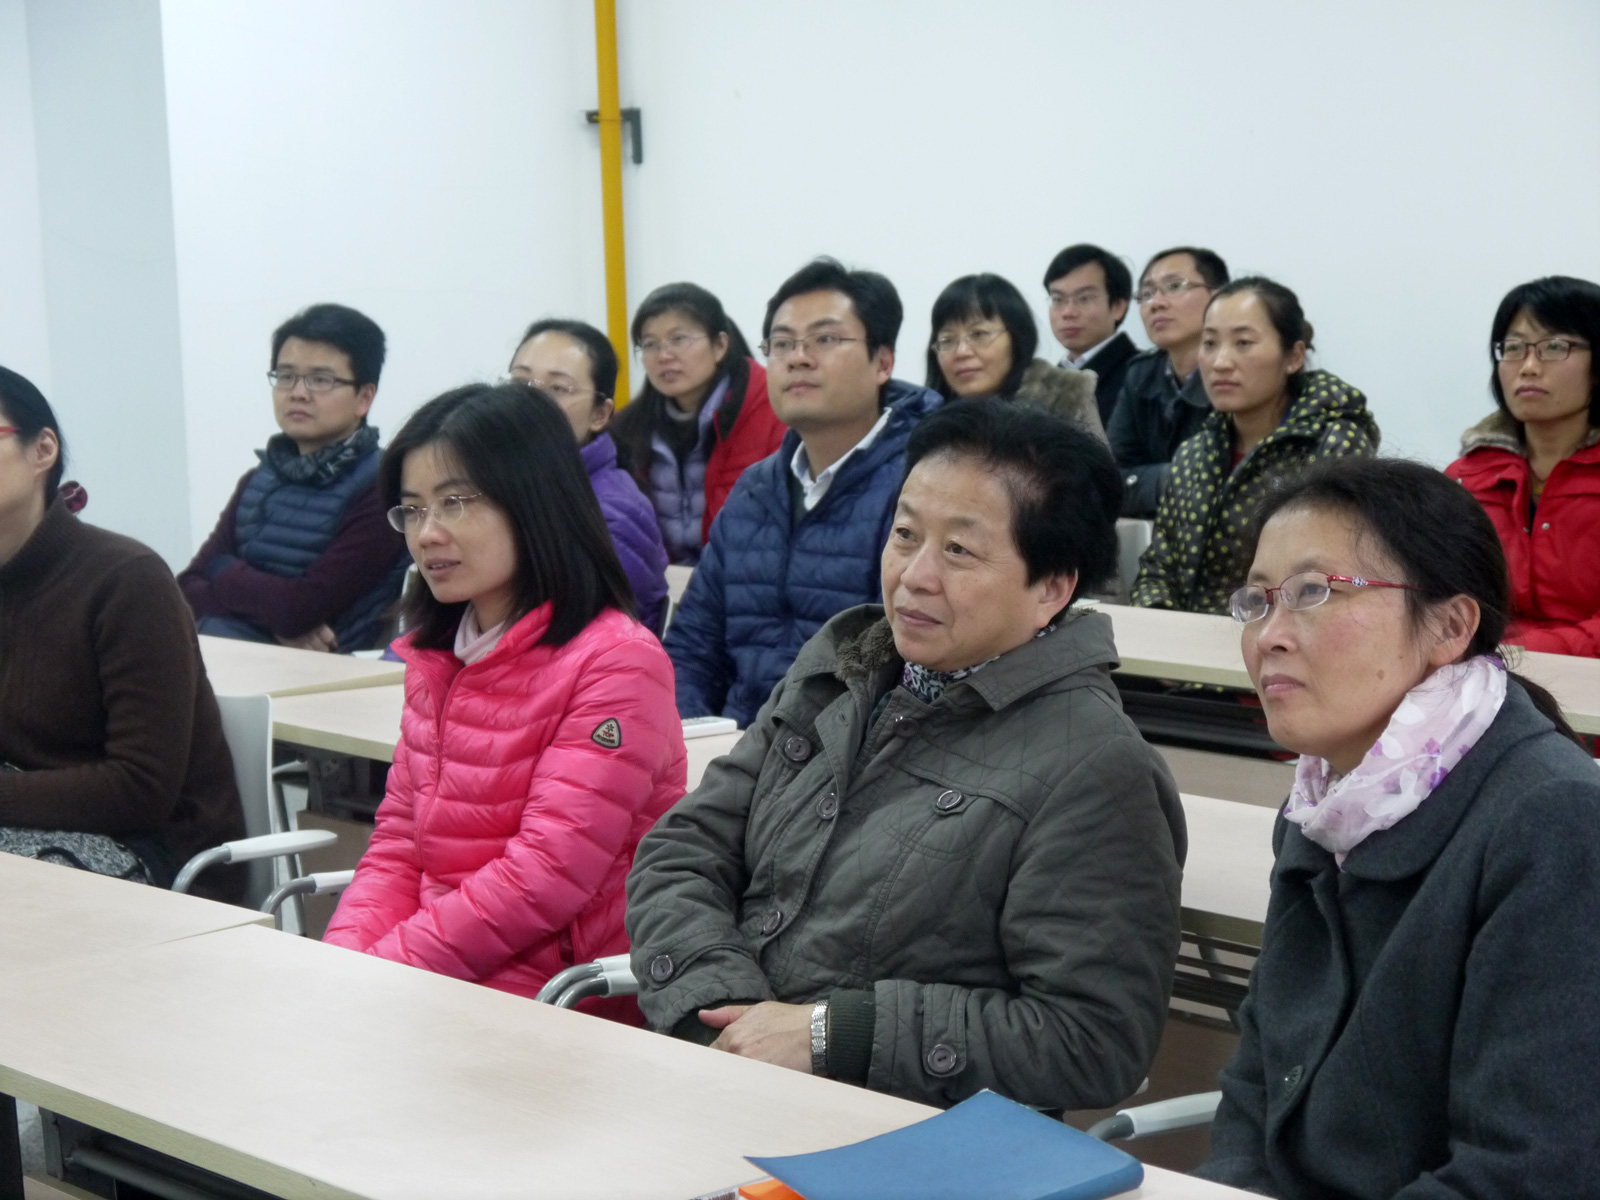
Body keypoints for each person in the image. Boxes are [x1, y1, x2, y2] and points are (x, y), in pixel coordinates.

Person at [628, 401, 1185, 1110]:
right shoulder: (842, 667)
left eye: (959, 551)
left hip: (901, 1132)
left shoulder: (1095, 766)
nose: (915, 575)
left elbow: (1093, 1039)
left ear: (1051, 587)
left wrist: (831, 1034)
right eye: (905, 535)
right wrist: (726, 1015)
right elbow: (682, 852)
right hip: (730, 1079)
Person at [1196, 456, 1600, 1198]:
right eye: (1258, 600)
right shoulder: (1324, 802)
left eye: (1313, 592)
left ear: (1450, 625)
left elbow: (1524, 1172)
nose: (1268, 635)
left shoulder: (1555, 822)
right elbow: (1257, 1085)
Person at [323, 382, 686, 1018]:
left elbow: (543, 878)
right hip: (441, 973)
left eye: (455, 503)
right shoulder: (438, 657)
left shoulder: (617, 661)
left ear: (532, 501)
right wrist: (342, 963)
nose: (428, 533)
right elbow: (399, 846)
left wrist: (386, 973)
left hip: (559, 994)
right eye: (412, 510)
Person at [664, 258, 943, 728]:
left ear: (883, 362)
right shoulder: (754, 490)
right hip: (737, 747)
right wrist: (689, 737)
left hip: (853, 751)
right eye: (781, 343)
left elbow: (907, 671)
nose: (798, 357)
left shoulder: (923, 485)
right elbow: (692, 647)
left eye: (825, 339)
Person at [0, 367, 245, 898]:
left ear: (42, 450)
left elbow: (140, 788)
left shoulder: (125, 579)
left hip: (155, 851)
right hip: (22, 830)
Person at [1132, 277, 1377, 614]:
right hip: (1184, 640)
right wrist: (1162, 623)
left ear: (1293, 356)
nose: (1220, 362)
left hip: (1283, 633)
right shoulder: (1193, 453)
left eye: (1243, 343)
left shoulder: (1334, 444)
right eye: (1209, 343)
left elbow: (1327, 580)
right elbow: (1157, 570)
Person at [179, 303, 410, 652]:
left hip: (331, 672)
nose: (298, 392)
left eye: (321, 379)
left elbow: (299, 608)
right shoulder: (258, 479)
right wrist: (276, 617)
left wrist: (222, 569)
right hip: (245, 658)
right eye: (286, 376)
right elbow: (186, 588)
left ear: (364, 397)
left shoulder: (382, 488)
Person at [1447, 275, 1600, 656]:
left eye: (1554, 346)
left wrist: (1517, 651)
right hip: (1483, 670)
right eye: (1514, 348)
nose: (1528, 366)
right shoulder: (1465, 478)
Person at [508, 318, 669, 631]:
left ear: (600, 414)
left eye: (558, 388)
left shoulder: (614, 515)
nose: (530, 401)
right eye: (520, 383)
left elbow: (573, 635)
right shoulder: (503, 483)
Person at [612, 283, 787, 566]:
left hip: (745, 576)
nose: (664, 355)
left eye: (678, 339)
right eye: (650, 344)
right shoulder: (627, 429)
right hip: (665, 582)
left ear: (720, 346)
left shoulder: (773, 411)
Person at [1106, 246, 1230, 516]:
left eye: (1174, 286)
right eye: (1146, 294)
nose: (1156, 303)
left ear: (1219, 297)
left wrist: (1146, 482)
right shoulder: (1140, 375)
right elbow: (1109, 481)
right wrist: (1175, 479)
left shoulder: (1238, 371)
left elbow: (1234, 480)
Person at [923, 273, 1103, 438]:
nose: (961, 352)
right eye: (947, 340)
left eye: (978, 334)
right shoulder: (922, 416)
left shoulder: (1066, 397)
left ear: (1017, 337)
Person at [1043, 243, 1140, 426]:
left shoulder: (1141, 377)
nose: (1068, 312)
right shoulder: (1043, 382)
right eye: (1058, 299)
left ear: (1118, 307)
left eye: (1084, 298)